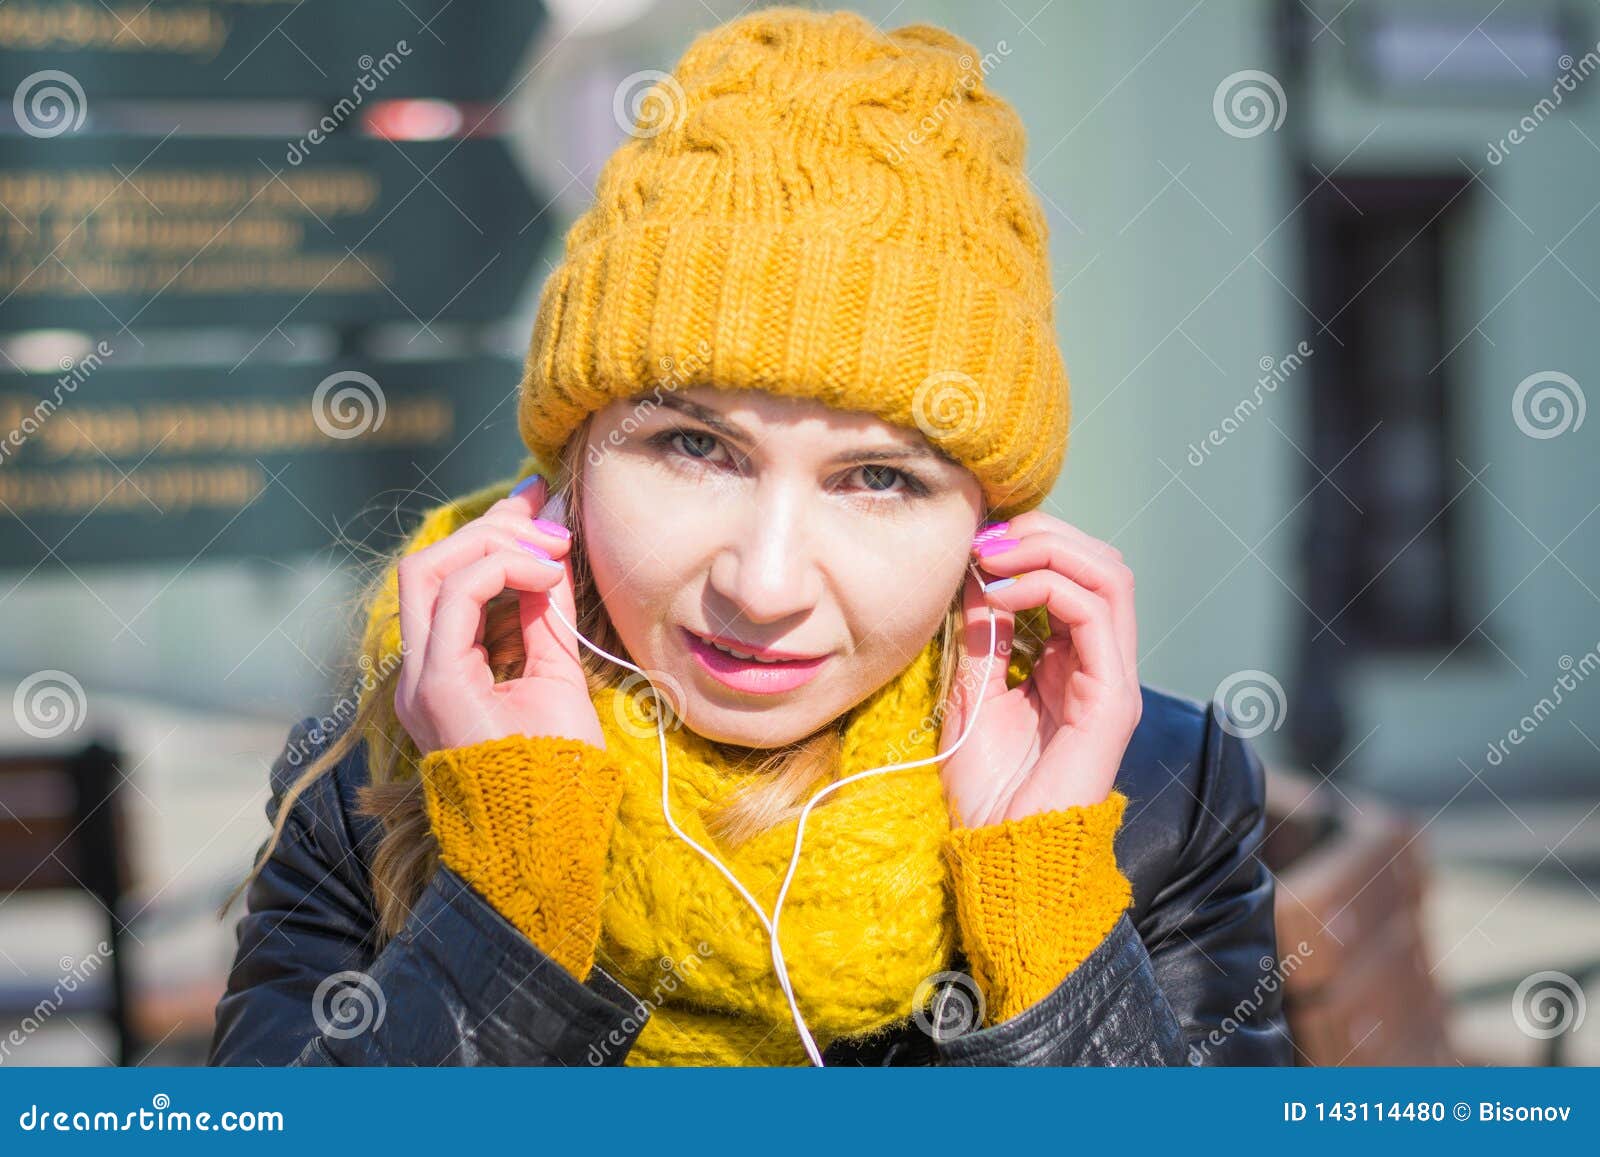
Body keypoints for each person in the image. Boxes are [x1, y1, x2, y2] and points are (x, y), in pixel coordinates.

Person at [208, 6, 1290, 1067]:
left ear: (990, 527)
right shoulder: (379, 776)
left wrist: (1043, 905)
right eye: (692, 446)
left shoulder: (1155, 797)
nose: (764, 586)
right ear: (567, 471)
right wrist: (509, 892)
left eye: (879, 477)